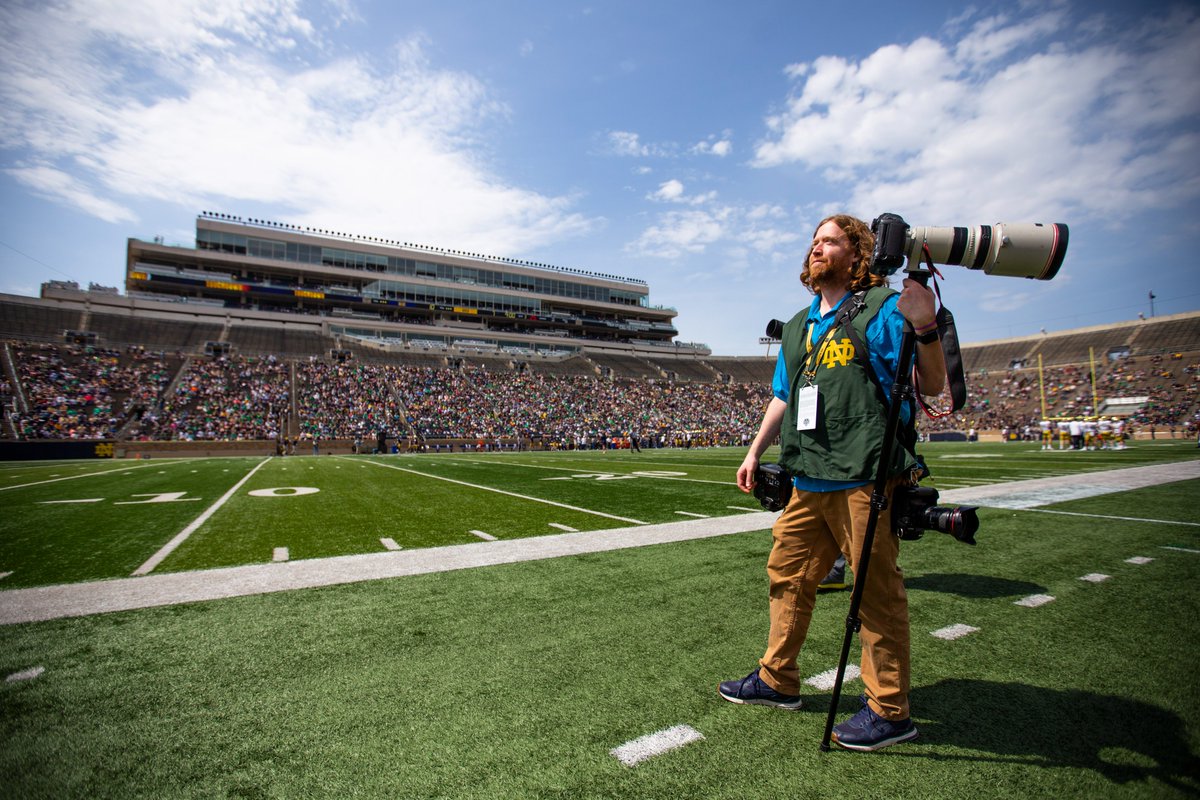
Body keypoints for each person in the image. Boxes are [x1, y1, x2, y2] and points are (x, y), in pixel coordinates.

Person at [718, 213, 945, 752]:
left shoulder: (883, 308)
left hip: (864, 474)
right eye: (814, 241)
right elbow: (783, 394)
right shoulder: (798, 324)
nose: (818, 248)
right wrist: (754, 450)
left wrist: (926, 326)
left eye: (831, 241)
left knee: (874, 591)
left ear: (857, 252)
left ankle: (890, 711)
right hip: (807, 478)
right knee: (787, 576)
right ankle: (777, 680)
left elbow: (932, 384)